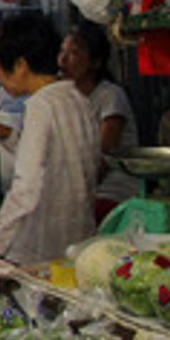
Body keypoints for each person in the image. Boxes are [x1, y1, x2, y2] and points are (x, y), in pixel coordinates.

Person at [0, 14, 99, 265]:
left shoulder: (40, 106)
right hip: (79, 238)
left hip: (40, 246)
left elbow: (27, 186)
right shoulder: (78, 98)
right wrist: (10, 136)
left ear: (21, 65)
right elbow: (61, 156)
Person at [59, 22, 141, 217]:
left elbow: (101, 159)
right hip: (82, 188)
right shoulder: (66, 97)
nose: (62, 60)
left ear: (96, 62)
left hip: (113, 190)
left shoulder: (111, 96)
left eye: (74, 53)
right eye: (62, 51)